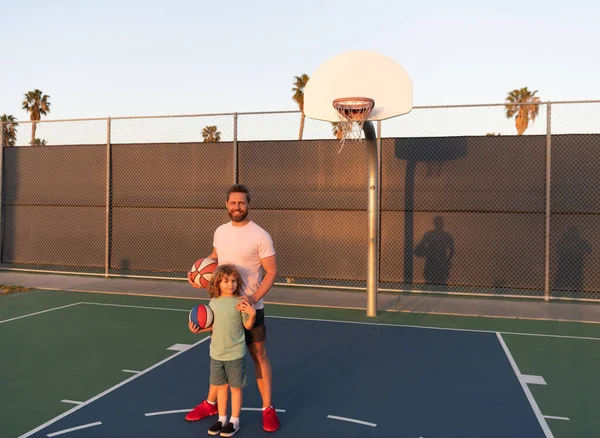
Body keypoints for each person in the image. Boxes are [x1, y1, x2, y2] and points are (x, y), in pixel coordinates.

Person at [186, 184, 280, 433]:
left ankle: (268, 409)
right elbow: (215, 257)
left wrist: (253, 297)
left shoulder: (261, 235)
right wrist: (198, 274)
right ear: (226, 205)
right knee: (220, 355)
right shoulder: (220, 231)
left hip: (249, 308)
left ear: (249, 204)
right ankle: (210, 403)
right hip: (222, 307)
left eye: (241, 203)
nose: (236, 207)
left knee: (259, 356)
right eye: (232, 203)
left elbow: (271, 272)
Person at [189, 264, 256, 437]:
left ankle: (235, 420)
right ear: (217, 283)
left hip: (235, 354)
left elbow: (247, 325)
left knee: (235, 388)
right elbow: (212, 325)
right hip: (216, 353)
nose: (230, 285)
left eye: (234, 281)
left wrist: (252, 314)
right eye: (226, 281)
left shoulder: (240, 302)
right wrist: (198, 329)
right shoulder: (213, 302)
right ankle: (222, 418)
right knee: (221, 387)